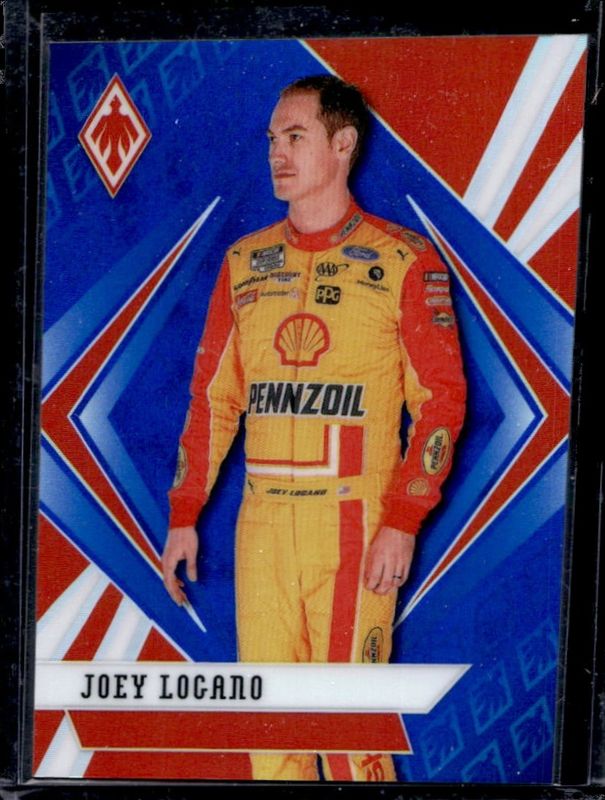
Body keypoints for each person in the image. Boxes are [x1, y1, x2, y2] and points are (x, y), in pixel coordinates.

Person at [162, 75, 466, 782]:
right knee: (272, 740)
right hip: (261, 531)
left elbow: (441, 402)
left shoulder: (404, 259)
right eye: (272, 139)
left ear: (343, 143)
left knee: (353, 736)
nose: (277, 153)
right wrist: (184, 513)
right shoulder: (244, 263)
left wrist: (403, 519)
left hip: (354, 527)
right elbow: (213, 401)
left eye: (295, 137)